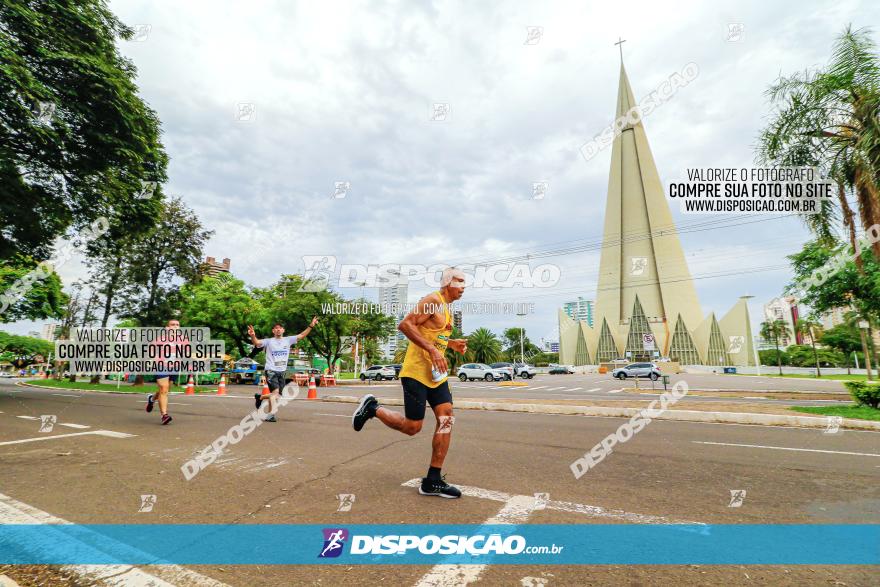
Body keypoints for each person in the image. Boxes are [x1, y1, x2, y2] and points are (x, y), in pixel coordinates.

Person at [352, 267, 468, 498]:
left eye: (465, 282)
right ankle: (373, 408)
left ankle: (432, 480)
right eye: (460, 281)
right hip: (416, 373)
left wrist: (451, 344)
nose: (464, 286)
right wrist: (433, 350)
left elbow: (432, 334)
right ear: (447, 283)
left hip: (436, 376)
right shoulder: (433, 300)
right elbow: (405, 324)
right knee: (413, 427)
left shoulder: (445, 307)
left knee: (446, 418)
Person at [247, 317, 318, 421]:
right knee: (275, 393)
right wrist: (253, 336)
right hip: (271, 370)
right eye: (276, 328)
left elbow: (302, 335)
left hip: (282, 371)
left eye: (280, 328)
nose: (278, 329)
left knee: (278, 394)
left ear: (283, 330)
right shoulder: (268, 341)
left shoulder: (288, 340)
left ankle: (260, 397)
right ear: (273, 331)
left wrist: (311, 325)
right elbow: (257, 343)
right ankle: (271, 415)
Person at [145, 318, 188, 425]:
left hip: (174, 367)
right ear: (167, 328)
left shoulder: (183, 340)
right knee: (164, 389)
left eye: (177, 325)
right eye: (172, 324)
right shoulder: (161, 339)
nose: (175, 326)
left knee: (165, 389)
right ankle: (164, 415)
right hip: (161, 365)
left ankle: (152, 399)